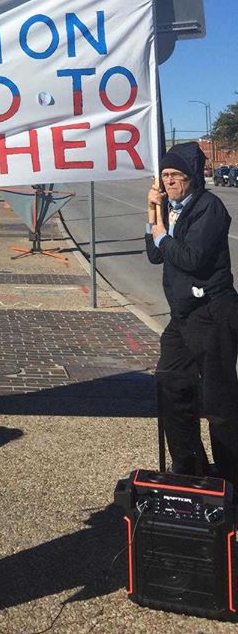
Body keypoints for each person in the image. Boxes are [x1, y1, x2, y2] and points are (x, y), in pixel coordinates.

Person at [146, 141, 238, 483]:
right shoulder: (171, 209)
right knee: (171, 383)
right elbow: (156, 256)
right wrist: (152, 215)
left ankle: (231, 479)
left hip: (212, 313)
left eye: (176, 175)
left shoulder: (208, 208)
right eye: (165, 175)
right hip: (182, 316)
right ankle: (188, 467)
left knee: (219, 401)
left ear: (192, 177)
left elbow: (191, 259)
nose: (169, 182)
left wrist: (161, 235)